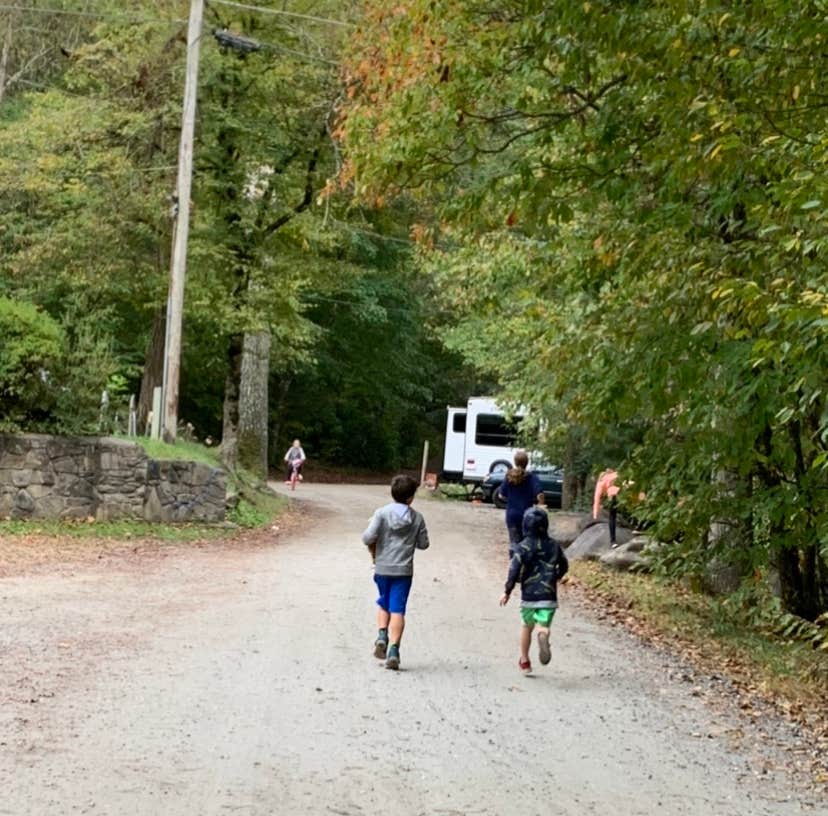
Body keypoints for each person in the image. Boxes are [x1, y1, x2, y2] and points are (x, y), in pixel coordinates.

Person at [361, 474, 430, 671]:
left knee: (384, 602)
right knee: (397, 609)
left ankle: (382, 634)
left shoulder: (381, 514)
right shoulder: (417, 518)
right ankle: (393, 650)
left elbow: (367, 538)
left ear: (393, 493)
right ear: (411, 498)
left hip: (382, 568)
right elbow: (424, 544)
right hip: (403, 571)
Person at [499, 505, 568, 675]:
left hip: (529, 596)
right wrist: (557, 576)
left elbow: (514, 570)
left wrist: (507, 591)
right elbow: (564, 565)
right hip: (548, 595)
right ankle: (543, 632)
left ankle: (524, 661)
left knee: (526, 627)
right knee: (542, 624)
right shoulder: (554, 545)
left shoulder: (522, 547)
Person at [497, 451, 544, 553]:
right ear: (527, 462)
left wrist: (510, 499)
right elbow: (540, 495)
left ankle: (515, 560)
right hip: (527, 516)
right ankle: (525, 561)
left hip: (512, 515)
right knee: (527, 543)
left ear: (515, 462)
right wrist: (541, 507)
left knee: (514, 542)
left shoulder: (509, 476)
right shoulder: (532, 477)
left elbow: (501, 495)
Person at [593, 468, 620, 547]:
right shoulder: (616, 475)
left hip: (613, 494)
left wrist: (595, 514)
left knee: (612, 517)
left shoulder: (600, 483)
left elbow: (597, 498)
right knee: (613, 515)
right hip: (619, 492)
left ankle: (613, 541)